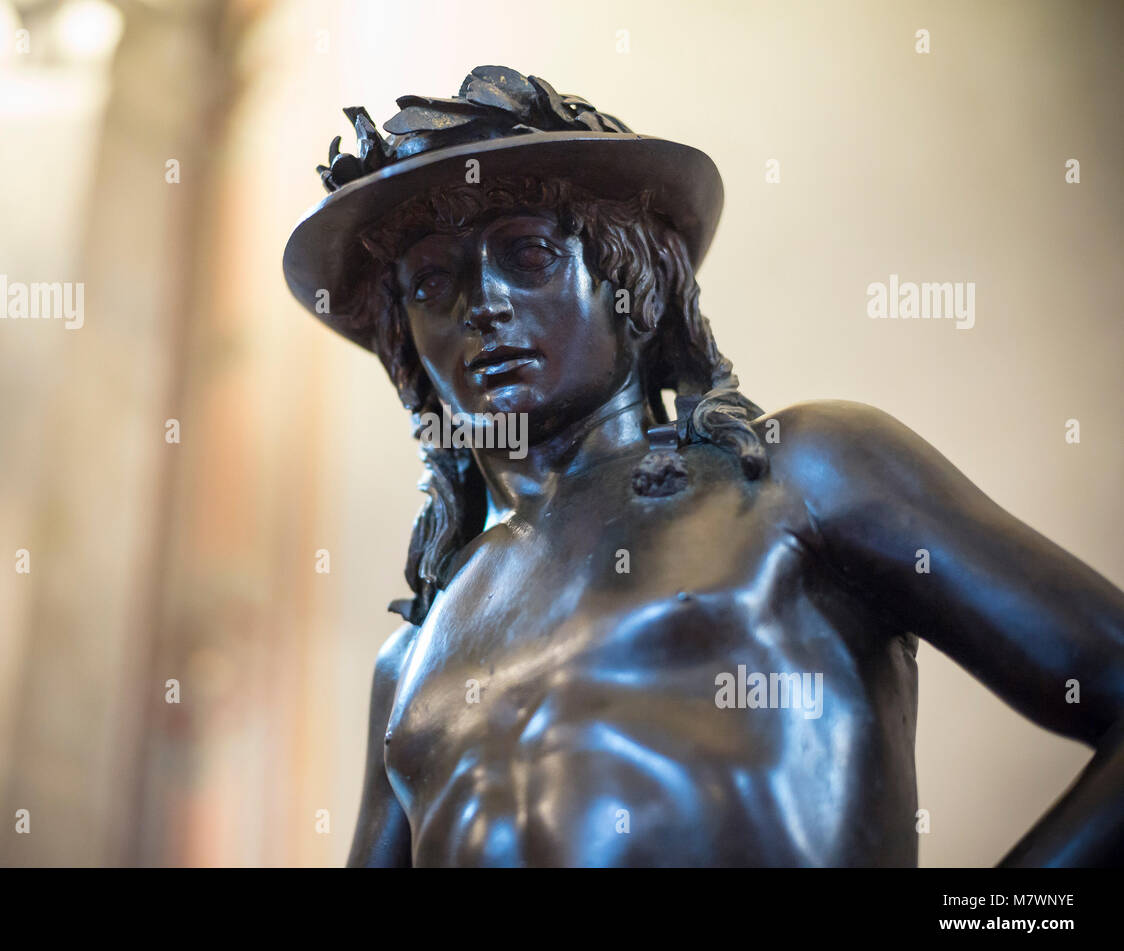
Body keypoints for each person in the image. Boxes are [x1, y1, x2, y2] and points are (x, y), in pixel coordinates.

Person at [282, 66, 1124, 866]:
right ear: (405, 348)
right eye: (431, 281)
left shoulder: (798, 474)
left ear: (634, 279)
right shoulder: (412, 659)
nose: (482, 303)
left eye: (528, 253)